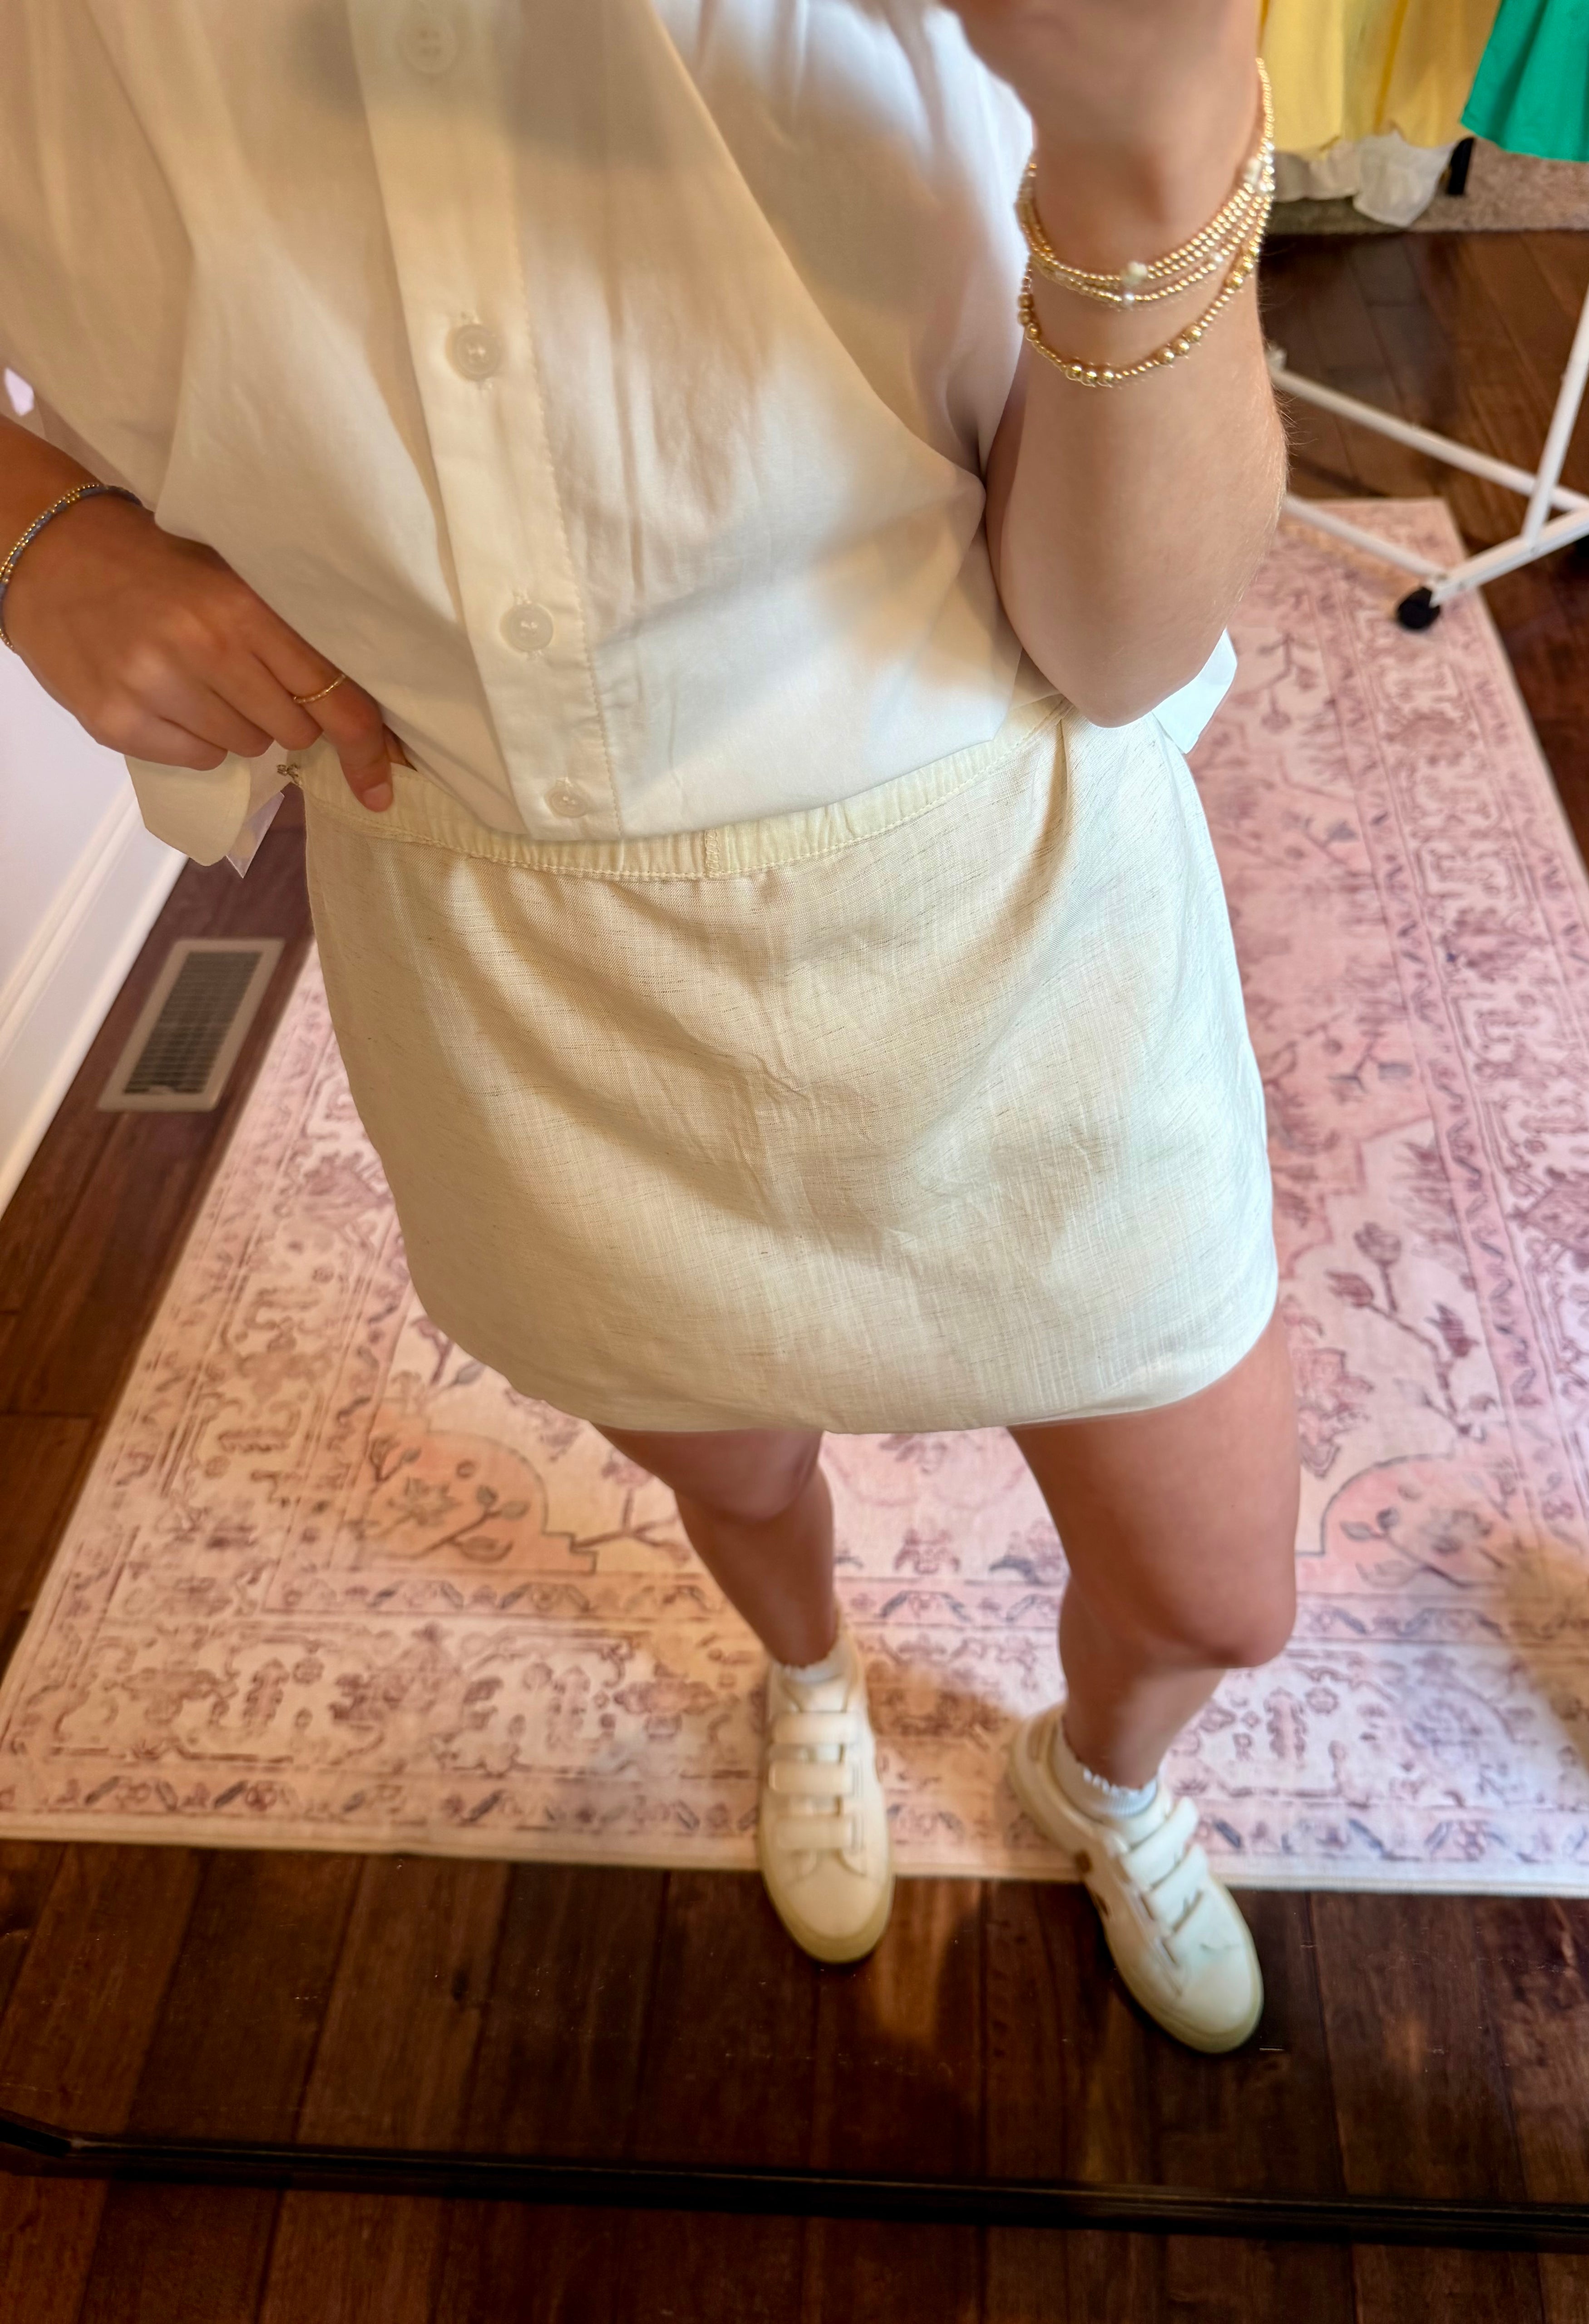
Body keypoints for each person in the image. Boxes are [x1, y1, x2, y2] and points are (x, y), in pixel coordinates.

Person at [0, 0, 1299, 2053]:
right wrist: (30, 523)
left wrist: (1146, 138)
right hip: (492, 938)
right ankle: (807, 1683)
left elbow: (1123, 643)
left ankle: (1108, 1775)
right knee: (733, 1464)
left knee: (1224, 1584)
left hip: (999, 887)